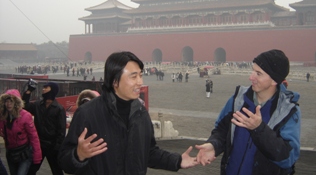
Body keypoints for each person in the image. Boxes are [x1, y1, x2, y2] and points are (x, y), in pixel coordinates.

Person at [58, 51, 198, 174]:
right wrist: (78, 155)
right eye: (133, 76)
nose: (140, 82)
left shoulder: (140, 113)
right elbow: (64, 162)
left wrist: (178, 161)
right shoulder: (88, 113)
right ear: (115, 81)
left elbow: (148, 153)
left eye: (140, 75)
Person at [195, 49, 301, 175]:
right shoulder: (237, 100)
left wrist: (259, 129)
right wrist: (214, 145)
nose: (251, 77)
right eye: (252, 70)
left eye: (258, 73)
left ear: (274, 80)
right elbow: (222, 130)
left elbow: (287, 157)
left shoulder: (288, 111)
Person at [22, 81, 66, 175]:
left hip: (52, 146)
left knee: (57, 170)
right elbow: (25, 106)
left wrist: (57, 147)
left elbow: (61, 130)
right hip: (39, 144)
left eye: (46, 87)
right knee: (32, 170)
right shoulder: (38, 105)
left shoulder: (59, 108)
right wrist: (28, 91)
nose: (43, 89)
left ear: (52, 90)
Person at [0, 89, 42, 175]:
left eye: (11, 101)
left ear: (16, 102)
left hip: (24, 154)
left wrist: (37, 156)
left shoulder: (26, 116)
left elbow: (33, 137)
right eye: (7, 101)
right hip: (11, 153)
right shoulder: (4, 116)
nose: (8, 104)